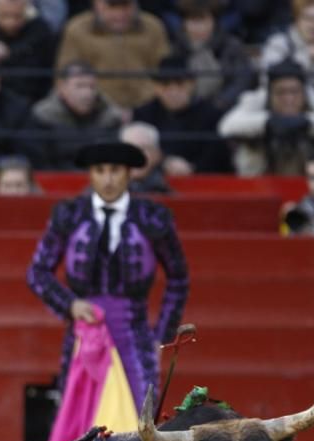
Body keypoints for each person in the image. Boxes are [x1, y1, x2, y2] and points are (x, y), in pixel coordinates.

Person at [26, 140, 189, 412]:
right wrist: (70, 305)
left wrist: (162, 334)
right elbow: (38, 271)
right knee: (81, 419)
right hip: (83, 335)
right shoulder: (70, 216)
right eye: (100, 171)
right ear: (90, 174)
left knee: (138, 423)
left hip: (135, 337)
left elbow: (179, 278)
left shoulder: (152, 218)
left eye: (115, 170)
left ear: (129, 173)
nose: (108, 179)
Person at [218, 58, 314, 175]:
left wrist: (308, 122)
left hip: (309, 183)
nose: (289, 99)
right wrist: (267, 122)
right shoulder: (257, 100)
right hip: (261, 183)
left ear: (304, 92)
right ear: (270, 93)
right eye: (281, 92)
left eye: (294, 92)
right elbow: (226, 126)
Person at [55, 0, 170, 109]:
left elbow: (165, 71)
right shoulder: (77, 29)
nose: (119, 14)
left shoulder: (153, 27)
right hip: (96, 111)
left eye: (125, 5)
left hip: (147, 108)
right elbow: (65, 76)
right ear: (96, 3)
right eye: (112, 6)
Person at [132, 53, 232, 174]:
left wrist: (192, 169)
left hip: (201, 182)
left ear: (191, 84)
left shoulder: (211, 115)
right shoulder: (143, 115)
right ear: (156, 88)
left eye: (180, 84)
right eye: (165, 84)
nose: (173, 91)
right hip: (153, 182)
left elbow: (217, 157)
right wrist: (163, 162)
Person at [31, 60, 124, 169]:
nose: (87, 93)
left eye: (92, 87)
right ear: (62, 88)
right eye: (80, 86)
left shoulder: (111, 116)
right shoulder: (43, 116)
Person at [170, 0, 254, 112]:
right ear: (184, 23)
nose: (197, 28)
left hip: (225, 108)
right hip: (186, 110)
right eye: (192, 21)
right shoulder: (176, 48)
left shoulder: (231, 46)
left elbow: (242, 79)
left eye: (202, 20)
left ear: (214, 22)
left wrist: (220, 102)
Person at [260, 0, 314, 92]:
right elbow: (268, 80)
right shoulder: (278, 44)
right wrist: (307, 59)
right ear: (297, 20)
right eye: (308, 18)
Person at [119, 121, 171, 192]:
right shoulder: (106, 193)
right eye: (129, 148)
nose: (135, 155)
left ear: (157, 154)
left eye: (143, 148)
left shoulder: (166, 191)